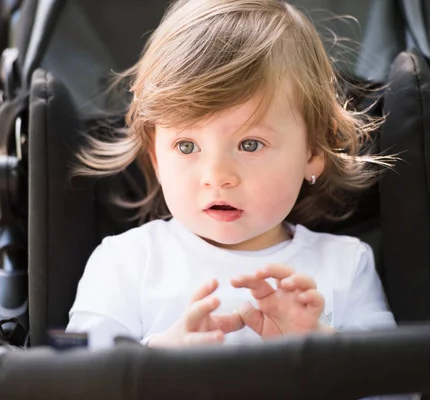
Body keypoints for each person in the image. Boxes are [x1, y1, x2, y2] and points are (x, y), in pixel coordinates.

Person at [66, 0, 397, 349]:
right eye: (187, 146)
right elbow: (79, 381)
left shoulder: (345, 266)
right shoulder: (127, 264)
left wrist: (323, 348)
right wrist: (158, 363)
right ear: (156, 158)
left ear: (313, 151)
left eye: (250, 144)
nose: (217, 176)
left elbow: (399, 386)